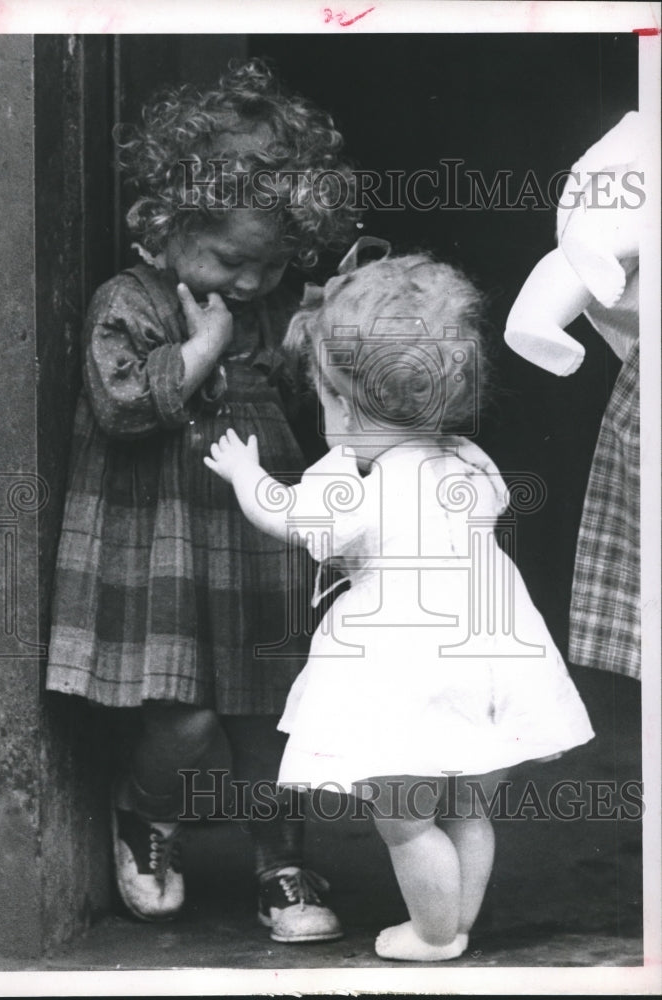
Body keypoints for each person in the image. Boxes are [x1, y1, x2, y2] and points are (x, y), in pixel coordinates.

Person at [205, 247, 595, 960]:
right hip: (491, 657)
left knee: (405, 815)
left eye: (323, 398)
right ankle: (457, 924)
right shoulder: (469, 461)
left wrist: (244, 473)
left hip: (404, 666)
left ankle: (434, 932)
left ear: (346, 404)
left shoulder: (352, 485)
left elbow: (288, 517)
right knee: (468, 803)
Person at [45, 58, 359, 942]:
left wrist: (322, 330)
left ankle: (281, 861)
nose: (252, 284)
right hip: (163, 544)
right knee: (181, 721)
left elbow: (316, 409)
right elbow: (122, 403)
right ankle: (147, 815)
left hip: (256, 540)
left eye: (271, 264)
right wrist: (207, 343)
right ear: (167, 222)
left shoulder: (270, 310)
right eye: (231, 259)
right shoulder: (131, 300)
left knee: (273, 715)